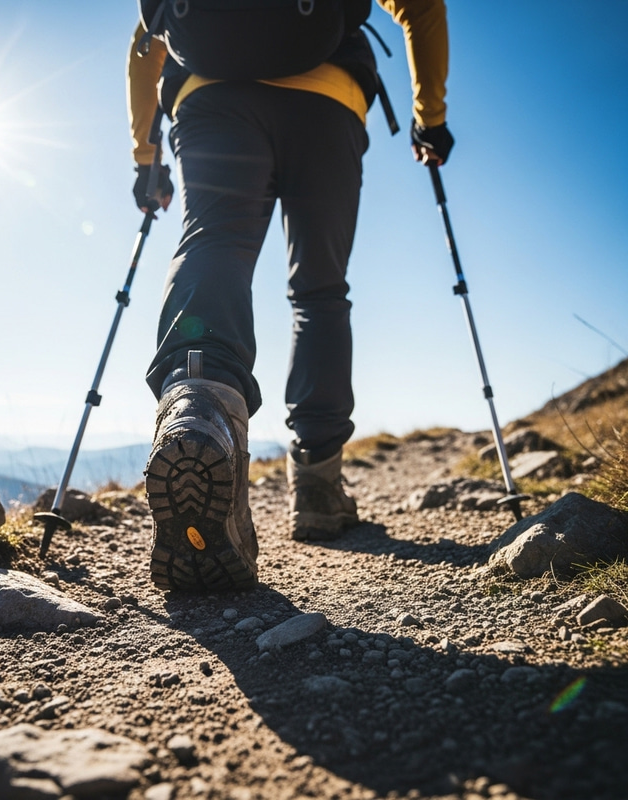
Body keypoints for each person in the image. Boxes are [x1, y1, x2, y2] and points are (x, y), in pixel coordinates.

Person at [127, 0, 454, 592]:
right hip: (327, 101)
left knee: (214, 241)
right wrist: (429, 115)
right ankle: (319, 486)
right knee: (320, 291)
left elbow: (148, 38)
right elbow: (422, 8)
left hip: (210, 95)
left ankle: (198, 406)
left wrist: (146, 158)